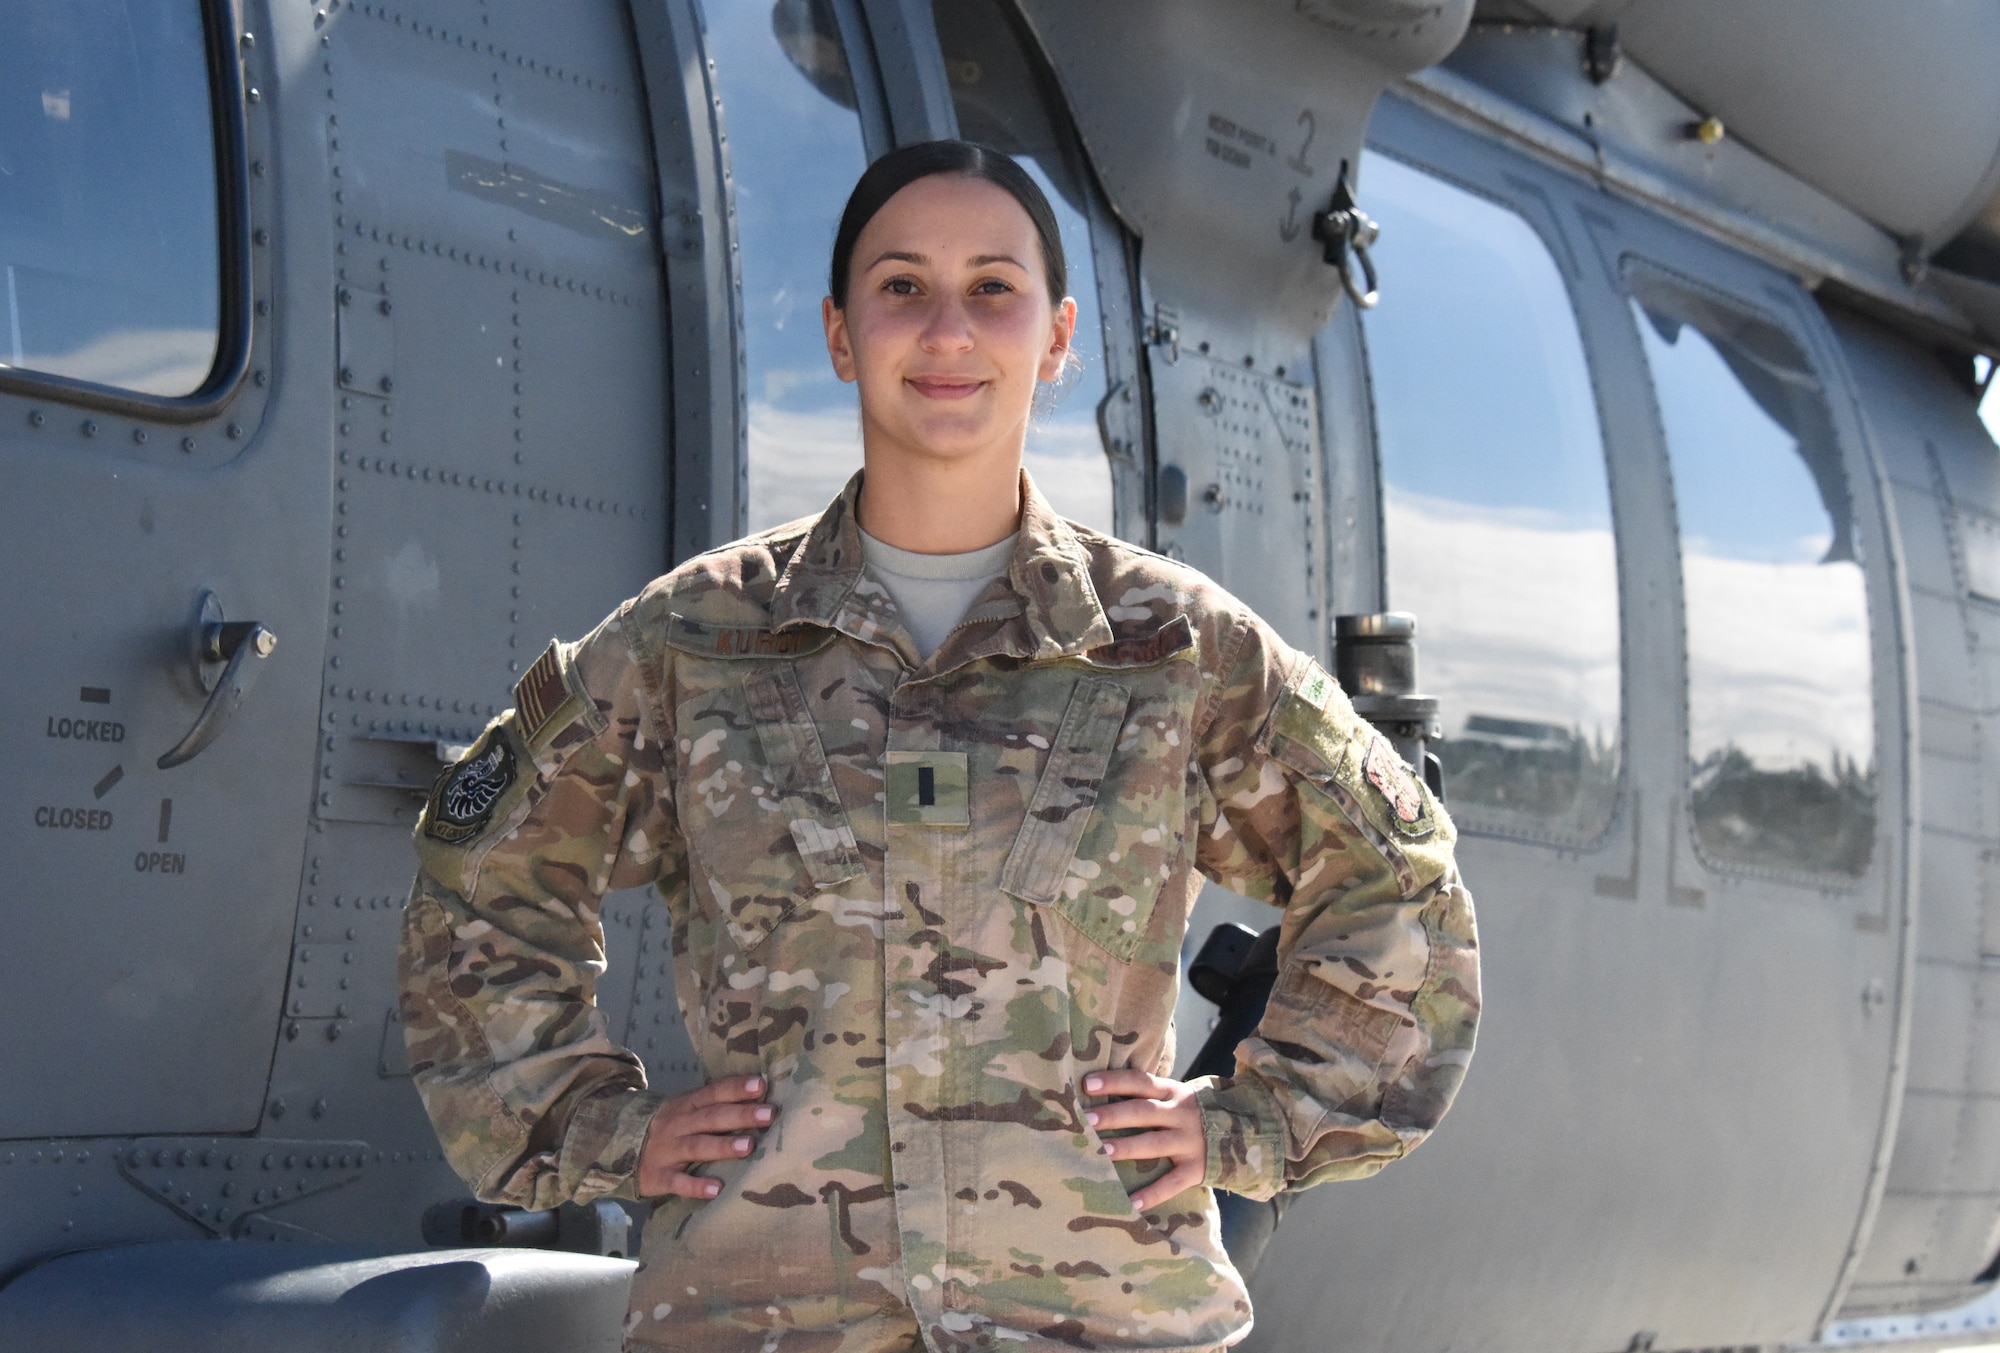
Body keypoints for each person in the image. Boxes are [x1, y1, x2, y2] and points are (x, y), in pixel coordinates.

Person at [400, 138, 1479, 1353]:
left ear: (1057, 337)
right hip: (766, 1319)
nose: (949, 331)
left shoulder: (1170, 651)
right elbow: (479, 877)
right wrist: (599, 1128)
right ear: (840, 334)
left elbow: (1399, 880)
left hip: (1092, 1320)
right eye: (902, 287)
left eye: (993, 290)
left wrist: (1249, 1127)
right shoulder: (696, 643)